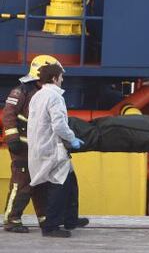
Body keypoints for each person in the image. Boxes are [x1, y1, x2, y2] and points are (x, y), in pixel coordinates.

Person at [27, 63, 88, 238]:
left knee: (70, 180)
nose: (62, 80)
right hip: (52, 149)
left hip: (41, 146)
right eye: (61, 77)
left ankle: (71, 219)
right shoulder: (54, 97)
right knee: (59, 186)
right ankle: (50, 227)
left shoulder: (38, 96)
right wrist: (72, 138)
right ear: (54, 78)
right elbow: (59, 125)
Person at [2, 55, 62, 233]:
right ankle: (12, 220)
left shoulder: (44, 92)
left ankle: (45, 218)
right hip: (21, 147)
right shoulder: (21, 91)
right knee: (21, 182)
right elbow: (8, 115)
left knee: (41, 182)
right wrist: (12, 139)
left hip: (38, 148)